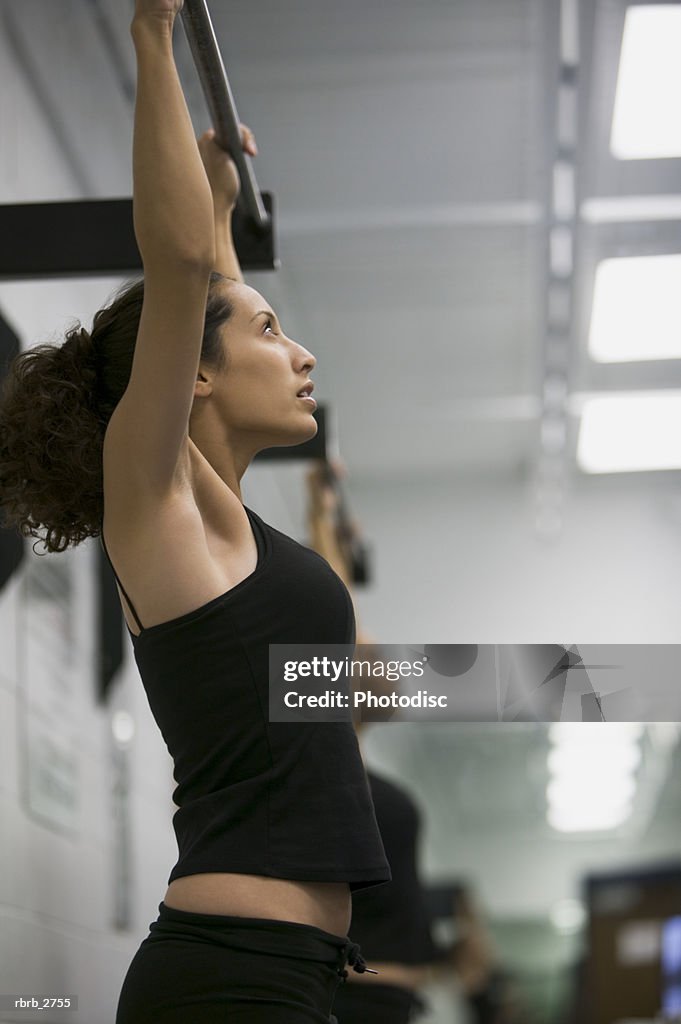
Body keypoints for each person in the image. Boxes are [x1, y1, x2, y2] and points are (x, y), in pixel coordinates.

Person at [0, 1, 390, 1021]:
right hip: (231, 977)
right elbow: (182, 276)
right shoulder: (156, 504)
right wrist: (153, 35)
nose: (302, 353)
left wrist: (216, 196)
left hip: (286, 973)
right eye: (272, 330)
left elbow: (205, 283)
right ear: (198, 381)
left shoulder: (225, 528)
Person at [306, 463, 436, 1023]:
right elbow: (328, 613)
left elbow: (336, 613)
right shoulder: (322, 757)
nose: (381, 653)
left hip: (389, 1001)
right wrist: (320, 514)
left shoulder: (354, 767)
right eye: (367, 647)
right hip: (352, 1001)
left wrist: (330, 519)